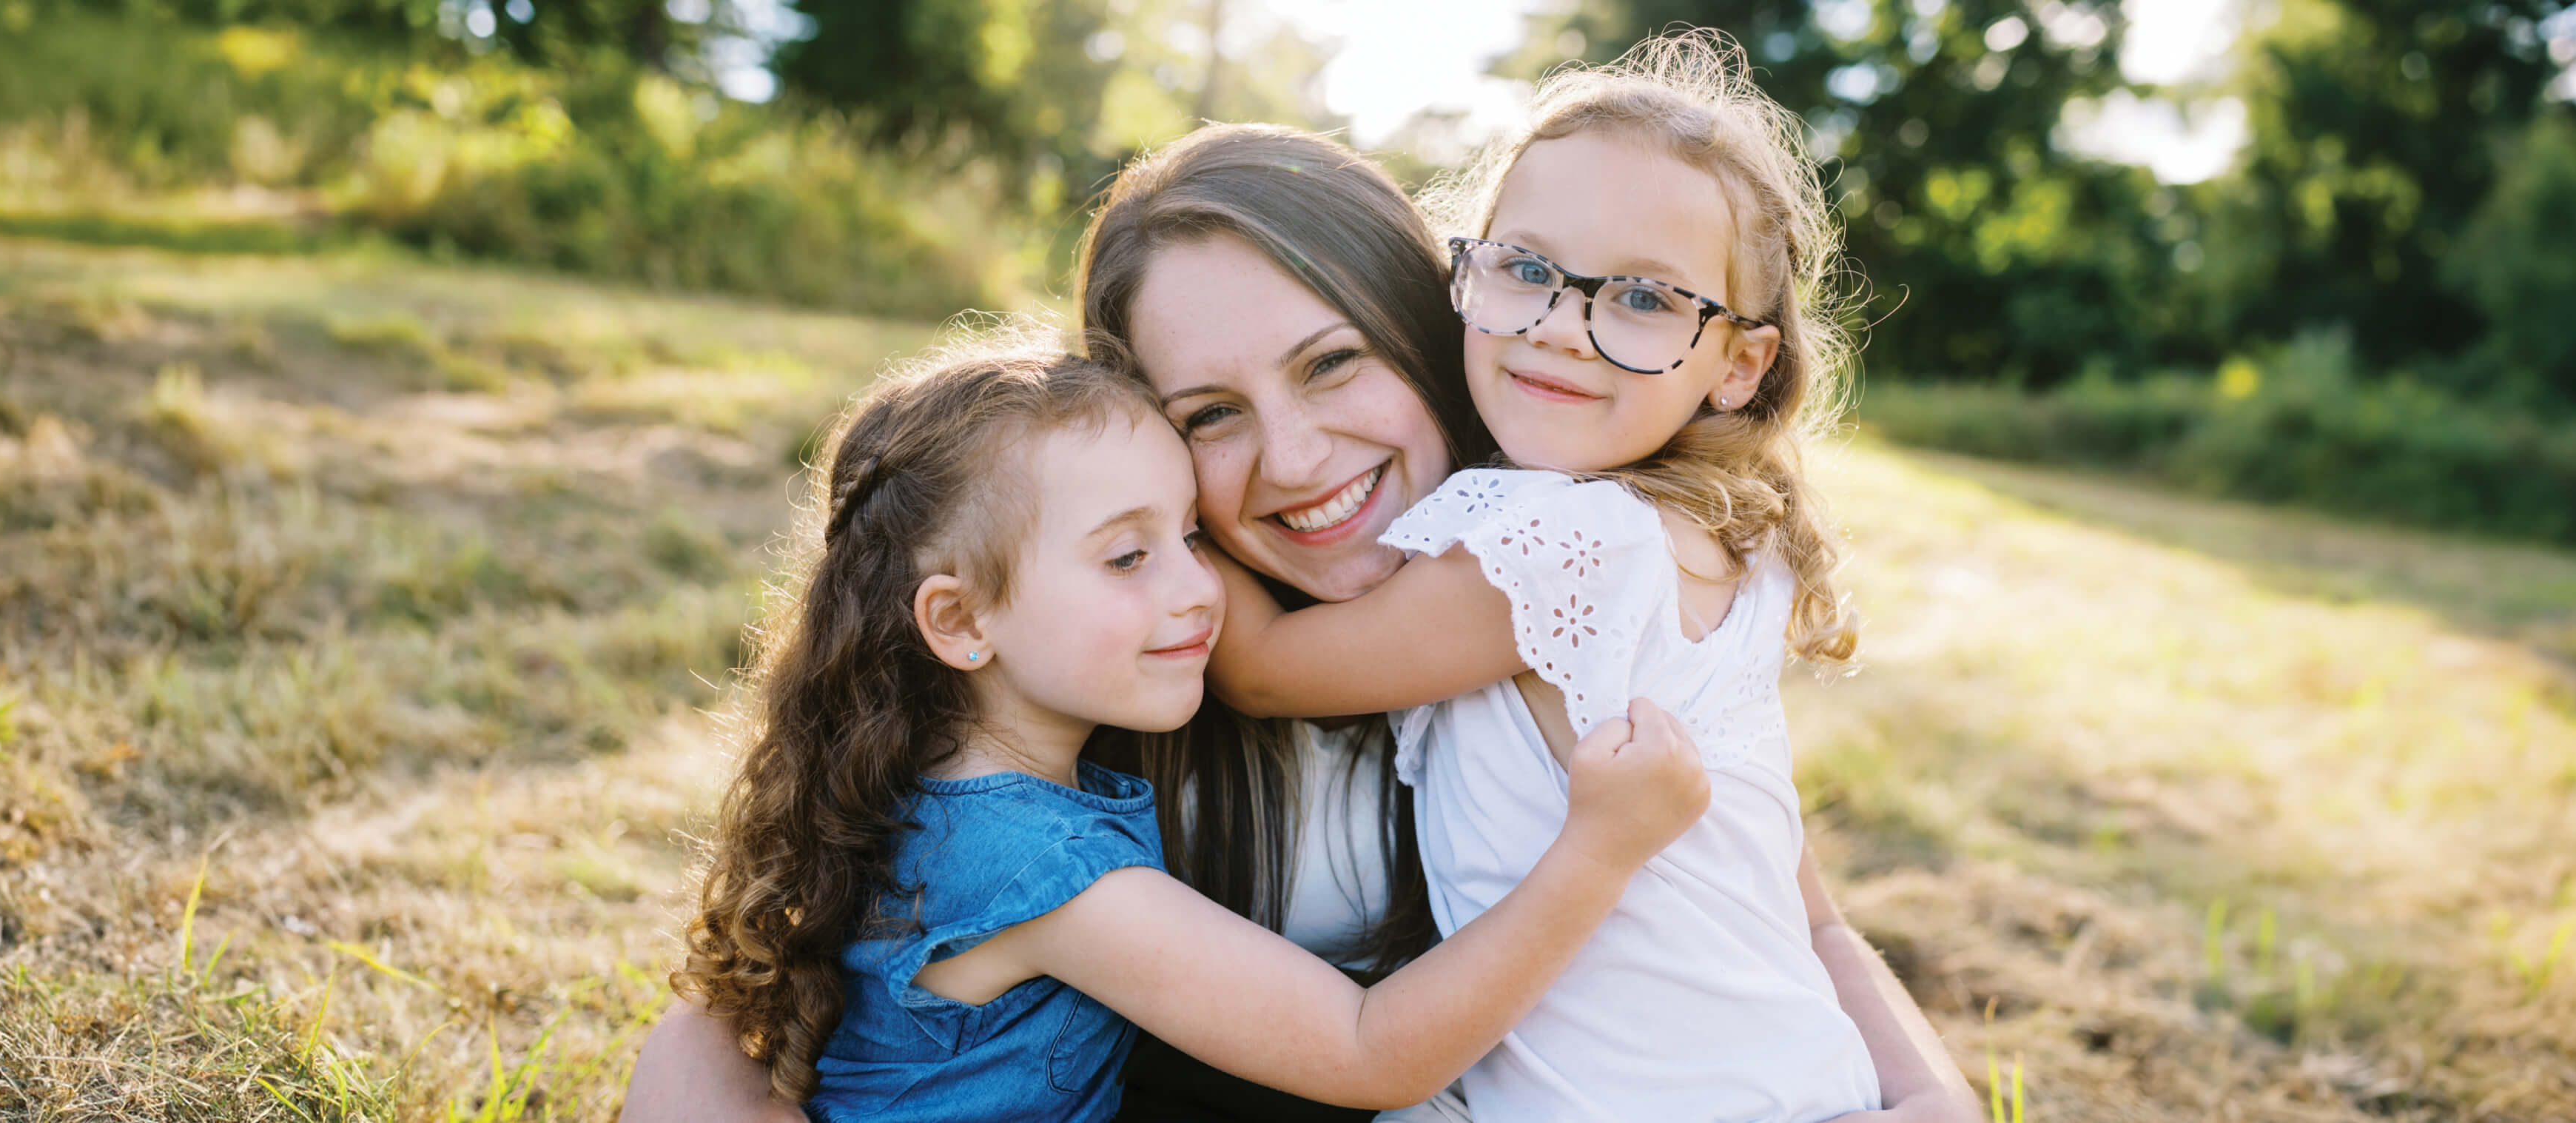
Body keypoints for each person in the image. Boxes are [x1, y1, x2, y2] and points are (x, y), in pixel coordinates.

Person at [623, 114, 1974, 1122]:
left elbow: (1789, 901)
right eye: (1209, 415)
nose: (1294, 459)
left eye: (1333, 365)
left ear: (1436, 327)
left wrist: (1928, 1100)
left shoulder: (1565, 601)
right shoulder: (1122, 667)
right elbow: (745, 1012)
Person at [1200, 33, 1971, 1123]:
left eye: (1645, 300)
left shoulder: (1566, 544)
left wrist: (1156, 487)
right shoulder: (1716, 546)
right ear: (1467, 274)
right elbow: (1807, 911)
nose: (1563, 329)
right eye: (1526, 269)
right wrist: (1926, 1093)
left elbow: (1270, 670)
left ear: (1738, 363)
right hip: (1799, 1088)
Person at [658, 338, 1713, 1122]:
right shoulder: (1041, 870)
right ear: (959, 620)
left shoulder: (933, 792)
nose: (1199, 589)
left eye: (1190, 536)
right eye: (1128, 557)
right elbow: (1369, 1050)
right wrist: (1598, 850)